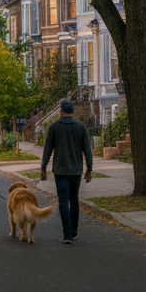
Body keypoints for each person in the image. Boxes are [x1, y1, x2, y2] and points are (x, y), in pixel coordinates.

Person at [39, 99, 94, 244]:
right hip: (76, 170)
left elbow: (48, 149)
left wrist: (43, 168)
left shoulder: (54, 127)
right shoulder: (81, 127)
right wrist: (89, 169)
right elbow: (87, 150)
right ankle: (74, 230)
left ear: (61, 111)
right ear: (73, 111)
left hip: (60, 170)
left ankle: (67, 233)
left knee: (63, 200)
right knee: (74, 198)